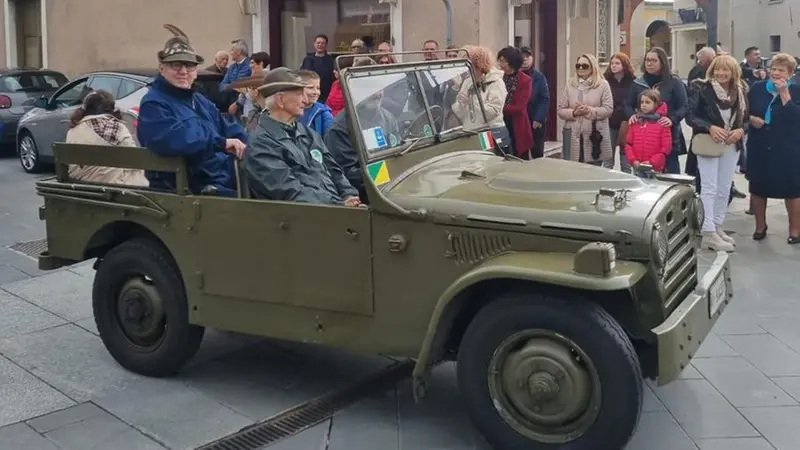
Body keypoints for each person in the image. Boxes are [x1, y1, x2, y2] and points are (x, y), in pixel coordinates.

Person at [137, 24, 247, 195]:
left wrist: (252, 145)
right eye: (175, 65)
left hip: (220, 175)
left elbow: (227, 126)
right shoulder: (154, 104)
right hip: (188, 188)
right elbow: (177, 140)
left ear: (196, 71)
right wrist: (221, 143)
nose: (183, 71)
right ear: (162, 69)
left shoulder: (199, 100)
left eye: (189, 66)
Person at [244, 68, 360, 206]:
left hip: (333, 210)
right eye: (299, 94)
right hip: (300, 219)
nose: (305, 100)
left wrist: (349, 194)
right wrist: (340, 204)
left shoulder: (307, 133)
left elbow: (334, 169)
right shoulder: (261, 144)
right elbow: (290, 191)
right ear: (280, 100)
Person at [687, 54, 749, 252]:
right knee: (709, 187)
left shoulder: (740, 91)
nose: (721, 73)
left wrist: (741, 130)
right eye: (717, 70)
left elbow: (746, 118)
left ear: (733, 73)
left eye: (726, 70)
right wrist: (710, 127)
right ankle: (707, 232)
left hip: (731, 145)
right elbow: (690, 116)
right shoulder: (702, 89)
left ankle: (716, 225)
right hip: (709, 143)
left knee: (724, 187)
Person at [746, 53, 800, 244]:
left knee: (792, 189)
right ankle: (760, 226)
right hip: (760, 143)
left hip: (787, 145)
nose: (776, 73)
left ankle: (795, 230)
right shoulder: (757, 88)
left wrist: (785, 94)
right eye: (774, 69)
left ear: (790, 74)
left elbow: (795, 118)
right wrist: (751, 119)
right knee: (759, 186)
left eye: (781, 70)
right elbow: (745, 111)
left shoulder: (797, 90)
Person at [65, 90, 148, 186]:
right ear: (111, 108)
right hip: (111, 184)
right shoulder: (116, 128)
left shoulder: (73, 130)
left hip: (79, 182)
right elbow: (134, 160)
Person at [625, 47, 686, 174]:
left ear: (662, 62)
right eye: (647, 60)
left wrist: (672, 119)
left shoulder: (673, 82)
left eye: (653, 60)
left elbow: (684, 106)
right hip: (643, 138)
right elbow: (628, 104)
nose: (649, 63)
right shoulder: (638, 83)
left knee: (670, 174)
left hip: (668, 134)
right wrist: (631, 115)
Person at [557, 53, 614, 166]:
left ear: (593, 67)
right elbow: (560, 110)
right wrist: (574, 112)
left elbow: (608, 109)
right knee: (573, 170)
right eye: (578, 66)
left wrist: (589, 110)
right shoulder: (570, 84)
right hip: (573, 133)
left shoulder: (603, 85)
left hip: (594, 134)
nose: (581, 68)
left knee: (593, 170)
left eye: (585, 66)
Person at [452, 46, 507, 148]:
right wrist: (460, 104)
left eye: (470, 65)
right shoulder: (468, 82)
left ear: (480, 65)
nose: (467, 69)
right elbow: (459, 113)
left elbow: (493, 111)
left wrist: (472, 102)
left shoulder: (496, 82)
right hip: (471, 133)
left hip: (493, 132)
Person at [624, 89, 672, 177]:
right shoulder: (635, 122)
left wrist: (652, 162)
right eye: (642, 102)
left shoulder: (662, 123)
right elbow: (628, 144)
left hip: (654, 168)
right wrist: (633, 160)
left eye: (647, 102)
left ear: (656, 104)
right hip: (637, 166)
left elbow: (665, 149)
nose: (644, 105)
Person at [497, 46, 533, 158]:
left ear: (511, 63)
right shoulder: (497, 77)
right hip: (499, 123)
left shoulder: (525, 80)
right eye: (499, 60)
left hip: (516, 124)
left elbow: (519, 107)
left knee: (519, 157)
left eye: (503, 61)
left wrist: (497, 108)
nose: (500, 64)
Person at [604, 52, 635, 172]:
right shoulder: (605, 81)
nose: (614, 66)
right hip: (609, 123)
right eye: (612, 63)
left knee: (625, 160)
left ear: (624, 65)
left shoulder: (633, 81)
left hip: (626, 123)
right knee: (607, 159)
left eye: (617, 63)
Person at [519, 46, 550, 159]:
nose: (525, 60)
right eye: (522, 58)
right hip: (520, 121)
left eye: (527, 57)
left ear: (532, 58)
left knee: (537, 152)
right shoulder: (514, 76)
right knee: (521, 154)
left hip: (535, 121)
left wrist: (538, 118)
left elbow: (544, 98)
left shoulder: (539, 77)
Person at [228, 51, 270, 124]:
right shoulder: (253, 77)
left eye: (252, 63)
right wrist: (238, 102)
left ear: (261, 63)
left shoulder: (266, 78)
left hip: (257, 119)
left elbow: (258, 99)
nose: (250, 66)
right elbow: (244, 98)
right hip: (248, 117)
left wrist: (244, 92)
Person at [301, 34, 336, 104]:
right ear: (314, 44)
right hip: (310, 94)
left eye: (323, 43)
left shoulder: (331, 60)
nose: (320, 45)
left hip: (326, 95)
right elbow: (303, 76)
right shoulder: (307, 59)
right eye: (318, 43)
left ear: (326, 45)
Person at [298, 70, 334, 136]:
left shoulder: (324, 114)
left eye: (318, 88)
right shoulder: (288, 111)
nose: (315, 92)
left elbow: (330, 139)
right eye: (310, 87)